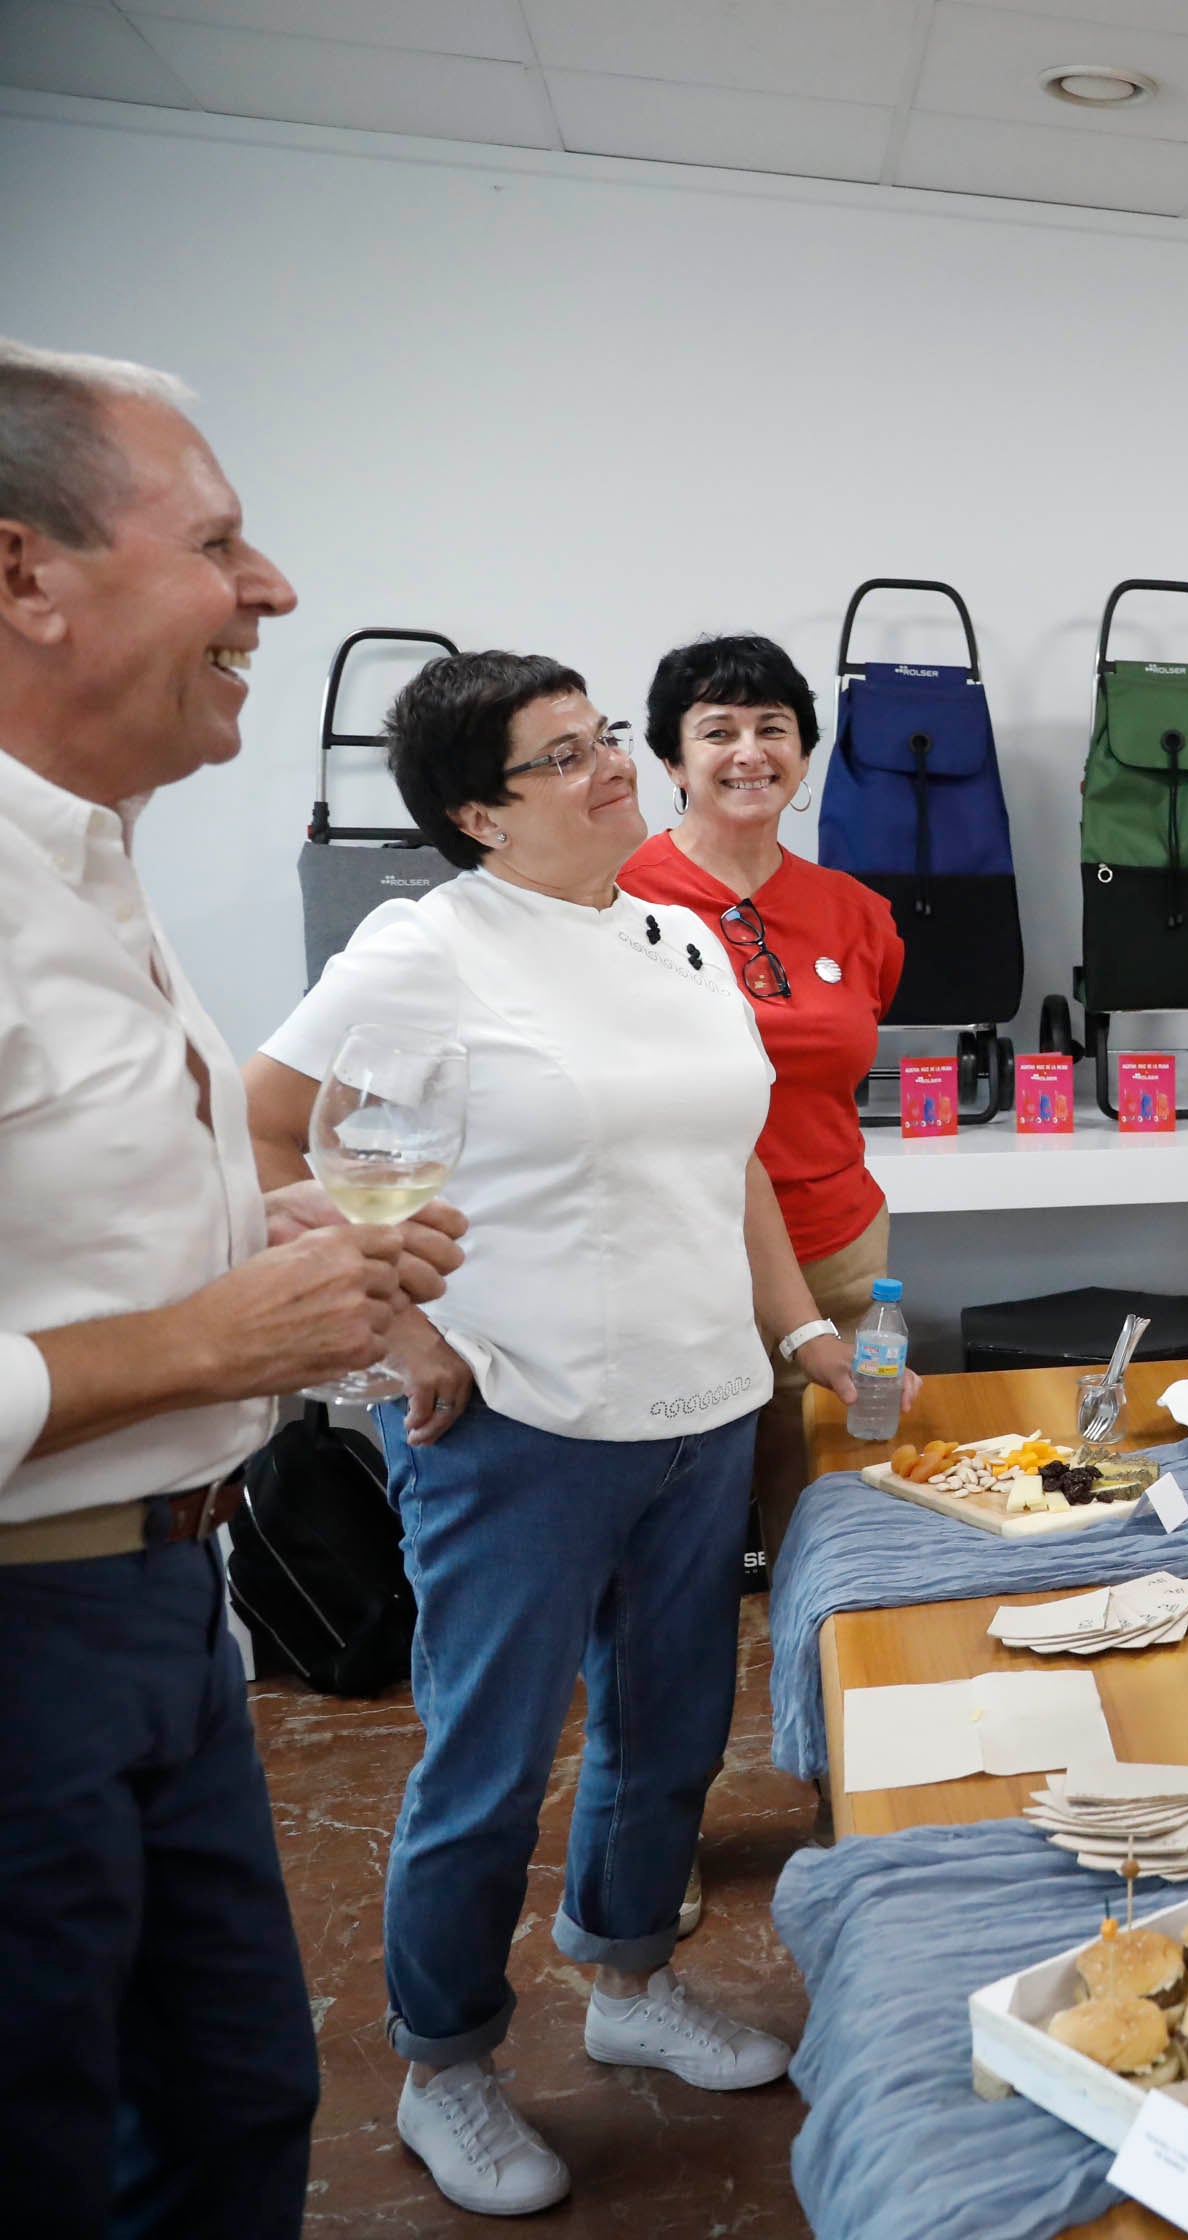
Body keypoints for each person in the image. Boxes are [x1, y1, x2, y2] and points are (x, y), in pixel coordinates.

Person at [243, 651, 847, 2215]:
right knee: (489, 1764)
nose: (611, 772)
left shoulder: (680, 939)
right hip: (520, 1417)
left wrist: (801, 1333)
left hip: (701, 1407)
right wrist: (403, 1330)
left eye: (599, 743)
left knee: (666, 1741)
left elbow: (740, 1172)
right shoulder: (422, 948)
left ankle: (631, 1977)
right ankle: (447, 2065)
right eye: (563, 758)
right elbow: (260, 1130)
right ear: (474, 813)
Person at [0, 340, 467, 2240]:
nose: (273, 590)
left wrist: (265, 1265)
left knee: (235, 2098)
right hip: (27, 1635)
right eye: (221, 542)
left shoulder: (91, 873)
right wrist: (202, 1343)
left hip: (165, 1608)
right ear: (22, 575)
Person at [619, 633, 904, 1566]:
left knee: (835, 1523)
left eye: (773, 728)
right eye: (718, 730)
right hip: (681, 1260)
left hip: (841, 1254)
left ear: (805, 755)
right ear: (672, 760)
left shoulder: (857, 912)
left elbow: (837, 1065)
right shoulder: (616, 900)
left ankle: (815, 1709)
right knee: (680, 1546)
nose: (750, 752)